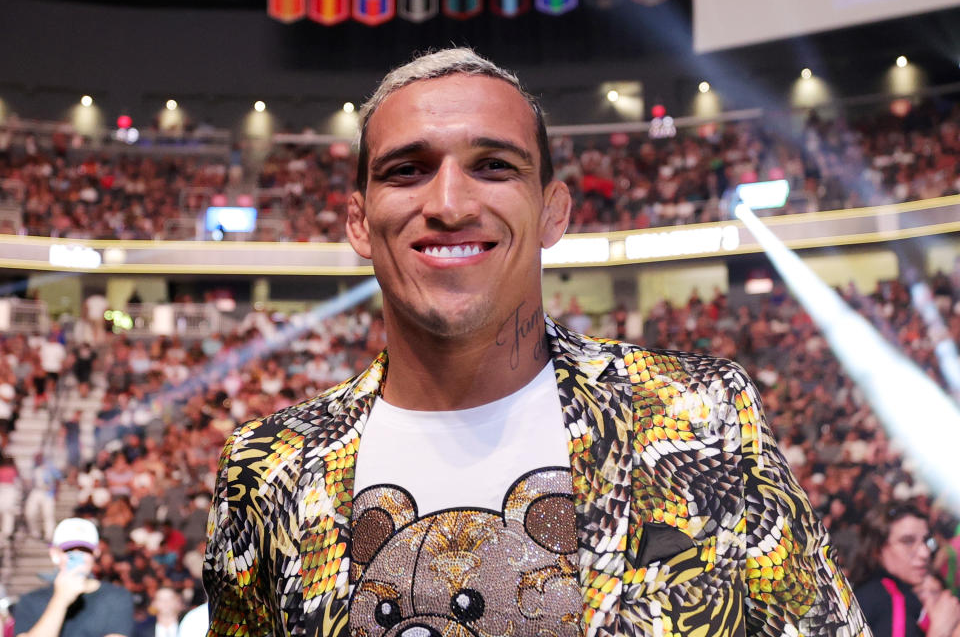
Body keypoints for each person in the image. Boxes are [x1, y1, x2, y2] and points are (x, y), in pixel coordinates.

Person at [204, 48, 868, 637]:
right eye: (407, 170)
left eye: (493, 165)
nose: (451, 203)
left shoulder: (701, 414)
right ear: (357, 220)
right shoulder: (268, 469)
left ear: (554, 211)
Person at [853, 501, 960, 637]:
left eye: (926, 541)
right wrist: (941, 630)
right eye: (907, 541)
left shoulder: (865, 592)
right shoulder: (889, 600)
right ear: (877, 549)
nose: (925, 553)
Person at [13, 517, 134, 637]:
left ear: (96, 553)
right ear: (55, 554)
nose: (77, 557)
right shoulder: (30, 601)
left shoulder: (116, 597)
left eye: (84, 550)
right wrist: (60, 600)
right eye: (69, 550)